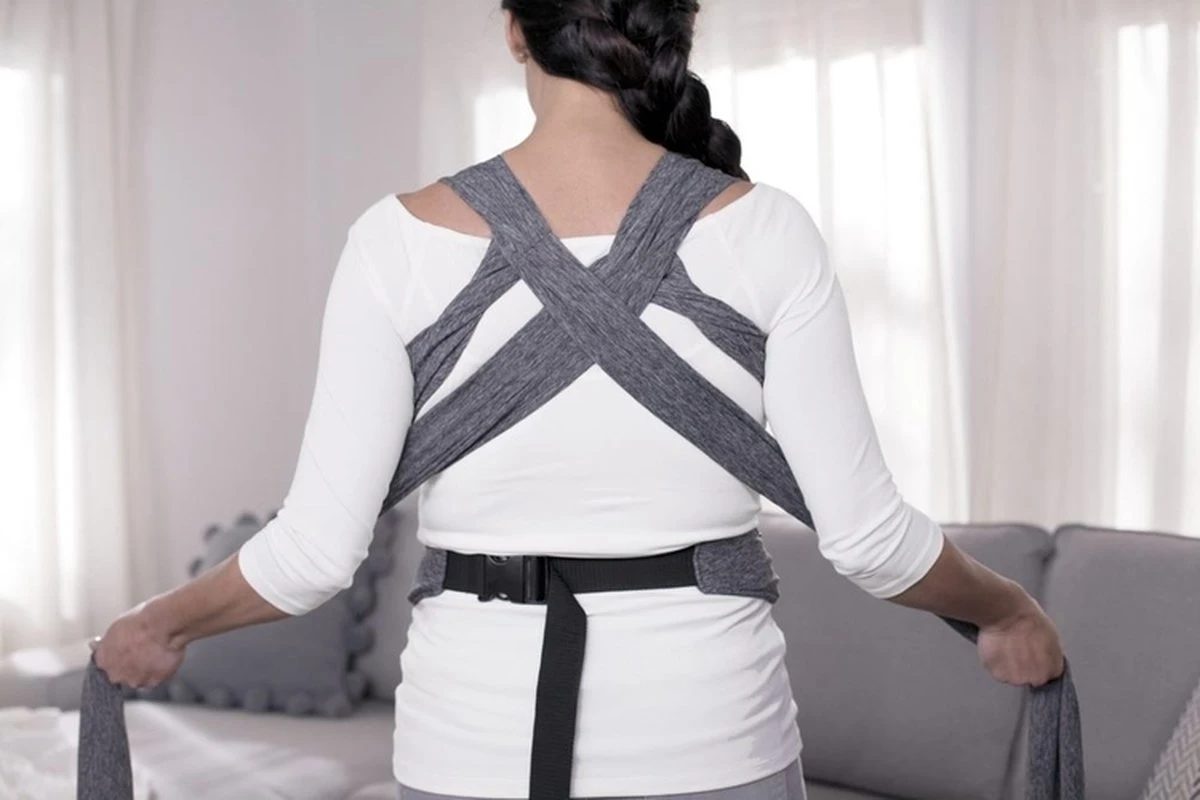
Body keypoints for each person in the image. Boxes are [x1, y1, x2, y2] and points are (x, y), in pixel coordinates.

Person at [93, 2, 1066, 799]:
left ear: (516, 31)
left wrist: (161, 622)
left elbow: (311, 555)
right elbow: (870, 540)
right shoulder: (766, 231)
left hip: (468, 750)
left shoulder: (395, 243)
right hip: (711, 738)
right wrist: (1009, 608)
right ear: (678, 31)